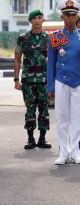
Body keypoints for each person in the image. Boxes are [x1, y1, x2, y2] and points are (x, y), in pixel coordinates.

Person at [47, 0, 80, 165]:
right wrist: (50, 86)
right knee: (62, 118)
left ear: (77, 16)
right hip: (61, 81)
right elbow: (51, 62)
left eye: (73, 15)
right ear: (62, 16)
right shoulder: (55, 37)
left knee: (78, 119)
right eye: (67, 15)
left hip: (79, 80)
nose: (70, 18)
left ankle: (76, 152)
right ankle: (63, 153)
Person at [14, 9, 51, 149]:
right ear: (30, 21)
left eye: (39, 17)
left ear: (43, 20)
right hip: (28, 81)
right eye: (34, 18)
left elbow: (52, 61)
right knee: (30, 109)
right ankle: (30, 139)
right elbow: (17, 60)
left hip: (44, 81)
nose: (37, 20)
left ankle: (42, 139)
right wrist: (16, 80)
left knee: (44, 109)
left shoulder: (49, 38)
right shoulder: (22, 38)